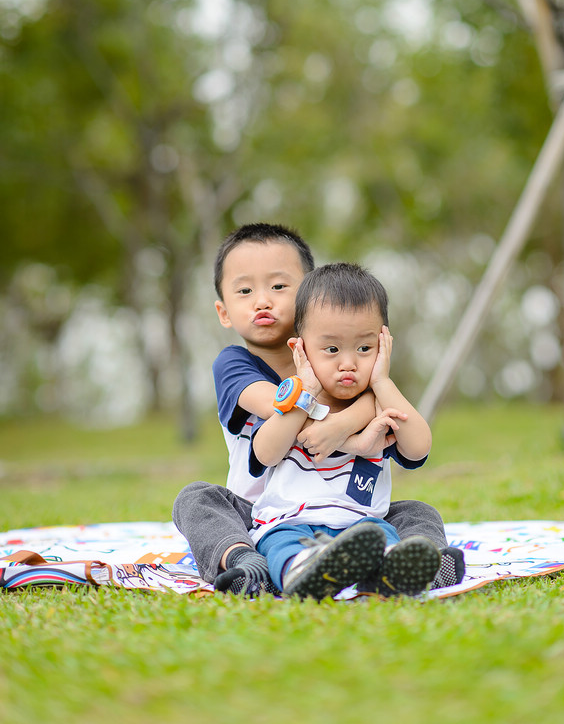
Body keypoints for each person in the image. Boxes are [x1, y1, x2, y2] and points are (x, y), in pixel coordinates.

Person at [172, 223, 464, 596]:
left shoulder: (342, 367)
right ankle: (245, 560)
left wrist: (355, 411)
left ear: (310, 295)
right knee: (196, 499)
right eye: (245, 291)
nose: (262, 300)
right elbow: (282, 402)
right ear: (224, 311)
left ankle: (417, 563)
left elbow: (408, 434)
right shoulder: (234, 364)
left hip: (349, 510)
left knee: (415, 512)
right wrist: (352, 416)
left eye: (279, 287)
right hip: (257, 512)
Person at [249, 261, 442, 600]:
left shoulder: (380, 406)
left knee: (382, 536)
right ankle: (303, 569)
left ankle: (388, 574)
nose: (348, 363)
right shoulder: (294, 401)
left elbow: (419, 447)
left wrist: (382, 380)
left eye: (365, 348)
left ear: (383, 347)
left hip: (360, 527)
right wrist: (304, 391)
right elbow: (265, 453)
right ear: (301, 349)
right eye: (332, 349)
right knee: (280, 544)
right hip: (291, 522)